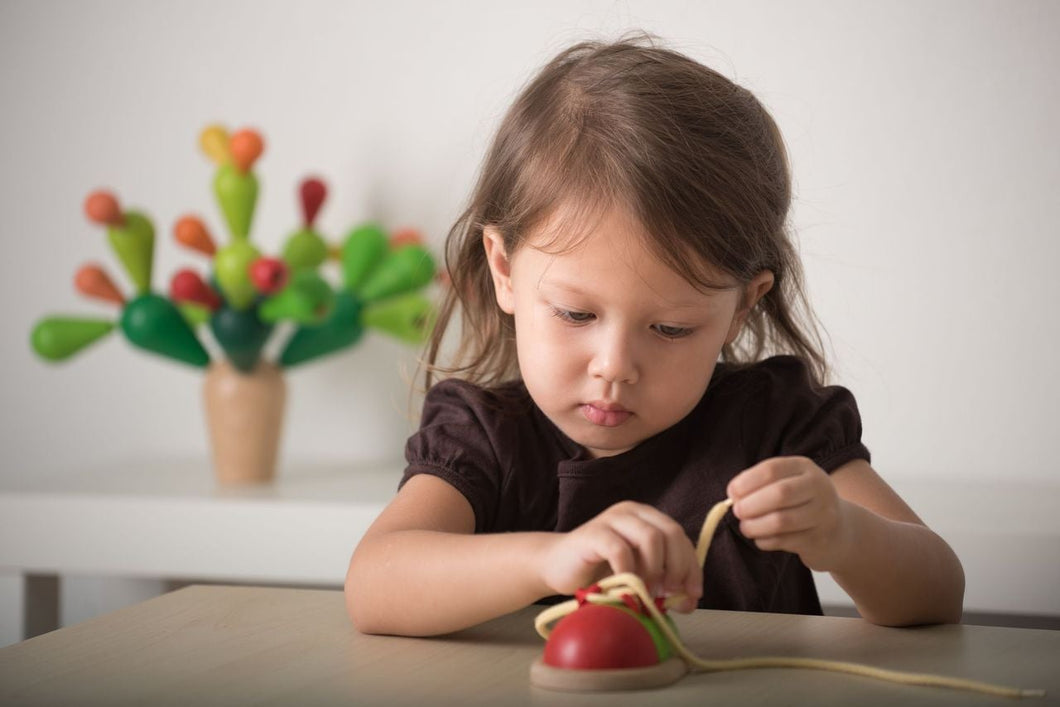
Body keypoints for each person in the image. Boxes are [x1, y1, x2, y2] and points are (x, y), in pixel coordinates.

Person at [345, 35, 965, 637]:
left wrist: (845, 536)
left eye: (670, 328)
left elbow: (938, 594)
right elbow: (375, 586)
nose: (614, 366)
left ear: (743, 307)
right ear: (504, 270)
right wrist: (545, 560)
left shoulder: (777, 429)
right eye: (575, 315)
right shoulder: (482, 437)